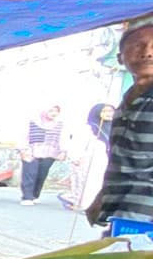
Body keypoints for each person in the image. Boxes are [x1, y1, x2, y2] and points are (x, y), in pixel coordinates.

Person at [88, 24, 153, 228]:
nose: (147, 52)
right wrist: (102, 197)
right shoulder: (125, 102)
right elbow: (120, 159)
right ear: (120, 58)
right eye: (138, 45)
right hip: (120, 211)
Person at [62, 103, 114, 211]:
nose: (109, 114)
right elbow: (78, 143)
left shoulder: (114, 127)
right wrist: (76, 157)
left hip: (107, 160)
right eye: (105, 111)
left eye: (111, 111)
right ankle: (83, 205)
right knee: (87, 184)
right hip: (89, 160)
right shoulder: (89, 128)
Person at [20, 105, 66, 204]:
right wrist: (23, 149)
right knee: (30, 173)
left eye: (56, 111)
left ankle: (35, 195)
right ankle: (27, 197)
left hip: (50, 153)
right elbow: (23, 135)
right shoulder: (32, 122)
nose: (54, 113)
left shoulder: (59, 124)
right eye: (51, 111)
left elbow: (63, 138)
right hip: (31, 151)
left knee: (41, 175)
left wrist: (63, 151)